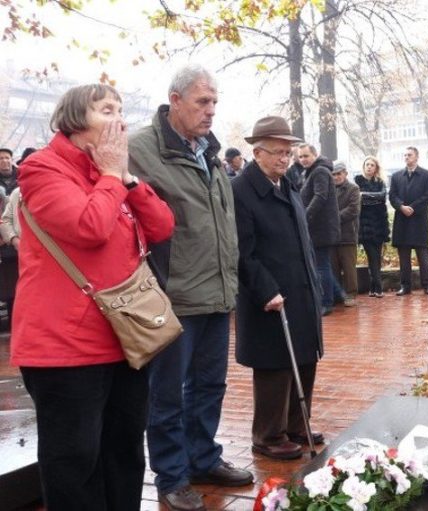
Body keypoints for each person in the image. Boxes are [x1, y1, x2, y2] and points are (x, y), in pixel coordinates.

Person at [11, 83, 175, 510]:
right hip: (65, 347)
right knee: (74, 461)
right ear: (75, 120)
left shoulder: (114, 173)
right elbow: (88, 227)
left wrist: (127, 179)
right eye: (106, 110)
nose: (118, 118)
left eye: (121, 109)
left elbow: (161, 227)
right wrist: (107, 176)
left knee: (123, 452)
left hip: (125, 338)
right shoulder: (42, 169)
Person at [129, 64, 253, 511]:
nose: (211, 111)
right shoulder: (140, 149)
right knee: (167, 395)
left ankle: (202, 457)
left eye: (215, 102)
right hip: (173, 296)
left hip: (217, 294)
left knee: (209, 386)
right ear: (174, 100)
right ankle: (172, 476)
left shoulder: (209, 152)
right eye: (202, 101)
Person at [231, 115, 325, 461]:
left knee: (303, 357)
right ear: (257, 152)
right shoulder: (241, 191)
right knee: (275, 364)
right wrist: (266, 289)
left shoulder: (288, 183)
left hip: (300, 287)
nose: (285, 158)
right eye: (278, 152)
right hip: (268, 294)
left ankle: (297, 425)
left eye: (289, 152)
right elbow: (242, 250)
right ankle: (269, 435)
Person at [297, 143, 340, 316]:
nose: (303, 160)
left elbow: (320, 196)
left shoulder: (320, 171)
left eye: (306, 156)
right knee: (322, 264)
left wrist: (304, 218)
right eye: (300, 157)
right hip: (318, 227)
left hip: (320, 228)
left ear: (315, 155)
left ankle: (326, 302)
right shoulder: (311, 172)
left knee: (321, 265)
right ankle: (338, 295)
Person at [389, 146, 428, 296]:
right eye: (405, 155)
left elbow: (427, 196)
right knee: (403, 257)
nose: (406, 157)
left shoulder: (427, 175)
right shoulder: (396, 176)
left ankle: (427, 285)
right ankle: (405, 286)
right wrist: (401, 207)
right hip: (402, 221)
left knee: (423, 256)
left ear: (417, 156)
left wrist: (412, 208)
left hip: (419, 220)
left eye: (409, 155)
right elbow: (392, 196)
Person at [355, 156, 390, 298]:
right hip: (366, 225)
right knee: (372, 255)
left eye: (372, 165)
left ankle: (373, 287)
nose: (369, 167)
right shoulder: (358, 180)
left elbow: (382, 196)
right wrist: (371, 199)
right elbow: (358, 198)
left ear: (376, 168)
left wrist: (365, 196)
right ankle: (378, 287)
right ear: (363, 166)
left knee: (376, 256)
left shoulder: (380, 182)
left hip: (380, 224)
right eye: (367, 164)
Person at [331, 160, 361, 306]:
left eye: (338, 174)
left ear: (345, 173)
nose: (336, 177)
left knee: (349, 267)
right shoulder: (329, 189)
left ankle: (351, 294)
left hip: (348, 234)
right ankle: (337, 295)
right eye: (333, 174)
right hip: (331, 236)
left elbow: (353, 209)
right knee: (333, 267)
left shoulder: (353, 188)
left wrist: (333, 218)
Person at [0, 147, 18, 329]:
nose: (4, 161)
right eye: (1, 159)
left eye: (7, 158)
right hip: (3, 245)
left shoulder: (22, 179)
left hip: (21, 241)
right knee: (7, 287)